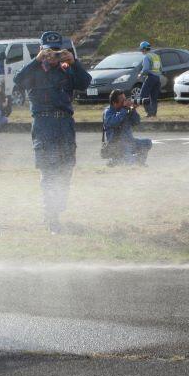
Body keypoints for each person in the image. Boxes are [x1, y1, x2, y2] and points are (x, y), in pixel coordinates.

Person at [13, 30, 92, 234]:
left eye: (56, 50)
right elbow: (18, 81)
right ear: (40, 50)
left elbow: (85, 83)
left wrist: (74, 62)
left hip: (64, 124)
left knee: (65, 170)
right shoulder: (34, 71)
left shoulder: (67, 70)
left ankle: (56, 208)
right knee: (49, 171)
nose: (52, 55)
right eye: (48, 51)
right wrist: (36, 61)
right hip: (44, 125)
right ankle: (51, 216)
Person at [102, 89, 152, 166]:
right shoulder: (108, 112)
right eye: (122, 101)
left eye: (125, 99)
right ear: (114, 103)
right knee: (129, 163)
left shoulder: (126, 110)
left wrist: (133, 109)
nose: (125, 102)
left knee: (147, 143)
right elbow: (114, 123)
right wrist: (124, 109)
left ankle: (135, 162)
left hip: (130, 142)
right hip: (118, 146)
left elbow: (136, 122)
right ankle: (115, 161)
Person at [137, 41, 162, 118]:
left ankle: (149, 113)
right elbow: (161, 69)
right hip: (157, 78)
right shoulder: (156, 56)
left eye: (141, 49)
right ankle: (153, 113)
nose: (141, 51)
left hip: (150, 77)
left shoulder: (146, 57)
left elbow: (145, 69)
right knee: (153, 97)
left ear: (144, 49)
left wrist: (140, 74)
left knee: (143, 96)